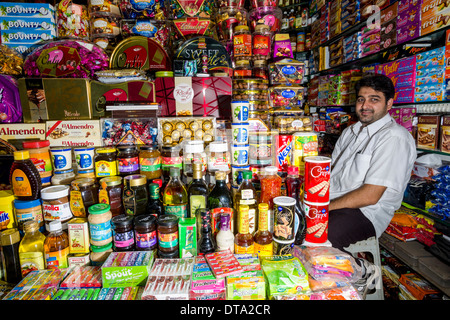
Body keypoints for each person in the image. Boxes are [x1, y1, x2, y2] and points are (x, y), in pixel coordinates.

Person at [328, 74, 417, 251]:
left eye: (374, 99)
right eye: (361, 99)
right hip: (334, 203)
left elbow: (370, 196)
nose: (365, 105)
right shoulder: (350, 132)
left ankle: (359, 274)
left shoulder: (394, 137)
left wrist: (324, 208)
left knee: (316, 237)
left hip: (366, 213)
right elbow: (331, 172)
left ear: (389, 104)